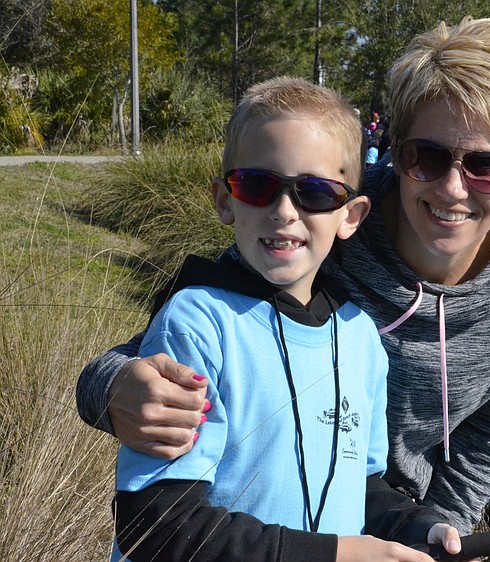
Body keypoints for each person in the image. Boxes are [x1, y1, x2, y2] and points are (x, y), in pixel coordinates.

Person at [77, 17, 490, 534]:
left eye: (486, 166)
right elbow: (160, 351)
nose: (452, 187)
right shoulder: (319, 214)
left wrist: (435, 530)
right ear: (398, 149)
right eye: (426, 156)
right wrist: (114, 389)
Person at [109, 76, 460, 562]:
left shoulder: (361, 339)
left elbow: (363, 489)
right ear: (224, 199)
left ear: (351, 215)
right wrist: (336, 555)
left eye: (315, 192)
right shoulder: (196, 324)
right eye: (257, 185)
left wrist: (414, 527)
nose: (284, 211)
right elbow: (156, 527)